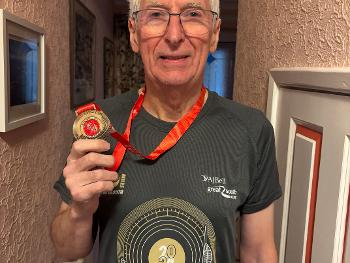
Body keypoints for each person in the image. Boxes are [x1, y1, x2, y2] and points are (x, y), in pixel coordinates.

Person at [51, 0, 282, 262]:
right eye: (156, 15)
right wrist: (79, 212)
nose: (174, 35)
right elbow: (67, 250)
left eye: (193, 14)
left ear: (215, 33)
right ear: (134, 34)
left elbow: (259, 251)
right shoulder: (99, 124)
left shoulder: (252, 129)